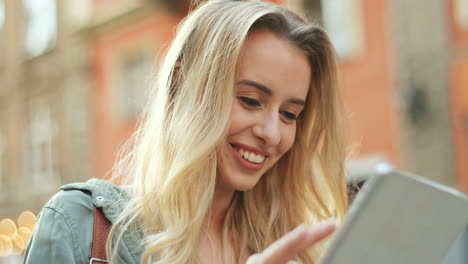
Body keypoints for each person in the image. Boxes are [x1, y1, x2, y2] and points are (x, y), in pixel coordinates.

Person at [23, 0, 348, 263]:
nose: (272, 134)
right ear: (181, 85)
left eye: (290, 114)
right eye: (250, 100)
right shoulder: (78, 226)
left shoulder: (291, 252)